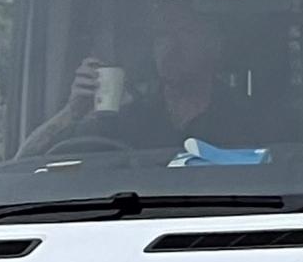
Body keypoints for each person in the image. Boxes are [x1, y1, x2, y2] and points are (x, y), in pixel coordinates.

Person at [23, 13, 240, 163]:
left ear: (215, 45)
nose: (170, 46)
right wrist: (72, 112)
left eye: (185, 33)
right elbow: (25, 163)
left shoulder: (249, 118)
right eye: (161, 35)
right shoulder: (122, 120)